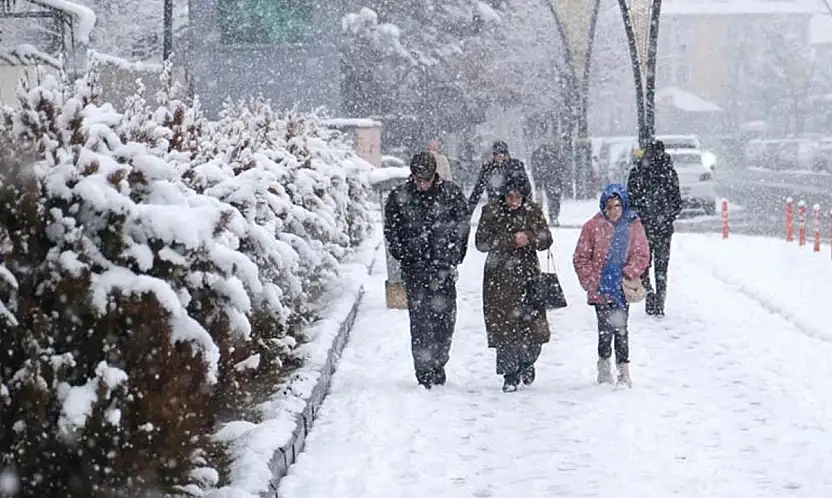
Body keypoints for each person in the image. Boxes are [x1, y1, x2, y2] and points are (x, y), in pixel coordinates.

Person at [384, 151, 471, 389]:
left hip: (443, 266)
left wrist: (455, 253)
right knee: (420, 321)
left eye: (426, 179)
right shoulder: (399, 196)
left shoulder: (451, 194)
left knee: (444, 320)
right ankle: (424, 370)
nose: (422, 185)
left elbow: (463, 225)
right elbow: (391, 229)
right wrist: (402, 252)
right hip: (415, 268)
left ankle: (439, 361)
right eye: (418, 179)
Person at [475, 173, 553, 393]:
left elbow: (546, 239)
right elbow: (481, 242)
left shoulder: (532, 210)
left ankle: (527, 362)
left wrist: (529, 236)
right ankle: (509, 374)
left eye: (517, 196)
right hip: (499, 278)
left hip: (528, 276)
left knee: (533, 328)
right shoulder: (491, 212)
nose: (513, 200)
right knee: (504, 328)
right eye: (509, 196)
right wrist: (510, 240)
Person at [572, 184, 650, 387]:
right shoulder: (592, 227)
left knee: (622, 328)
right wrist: (591, 281)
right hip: (600, 288)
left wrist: (628, 273)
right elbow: (581, 257)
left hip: (621, 287)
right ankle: (604, 366)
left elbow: (642, 254)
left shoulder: (633, 224)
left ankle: (623, 370)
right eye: (609, 206)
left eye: (617, 205)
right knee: (604, 329)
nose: (614, 210)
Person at [627, 140, 683, 317]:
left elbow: (631, 199)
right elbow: (677, 202)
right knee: (661, 266)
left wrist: (642, 216)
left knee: (644, 264)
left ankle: (651, 295)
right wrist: (666, 217)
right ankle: (659, 301)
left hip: (646, 227)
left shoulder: (638, 172)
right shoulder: (668, 172)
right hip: (661, 228)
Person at [468, 140, 532, 213]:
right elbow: (478, 190)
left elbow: (526, 187)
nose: (500, 157)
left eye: (502, 154)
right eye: (497, 154)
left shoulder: (515, 166)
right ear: (494, 155)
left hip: (514, 205)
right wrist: (469, 211)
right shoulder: (488, 169)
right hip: (495, 207)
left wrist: (527, 204)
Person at [530, 142, 567, 226]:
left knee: (552, 199)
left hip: (552, 178)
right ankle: (548, 217)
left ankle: (550, 217)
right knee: (550, 199)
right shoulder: (555, 153)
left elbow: (562, 166)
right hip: (551, 178)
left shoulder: (541, 154)